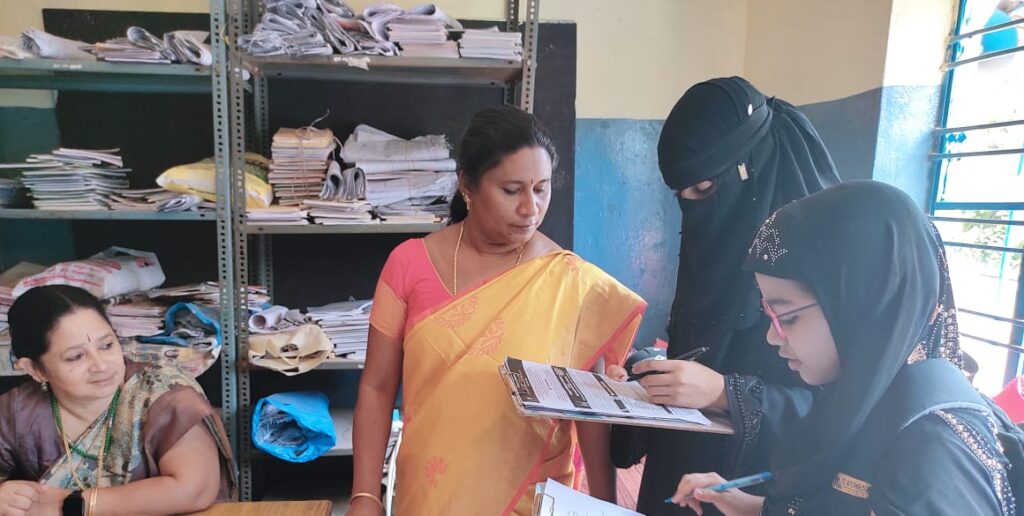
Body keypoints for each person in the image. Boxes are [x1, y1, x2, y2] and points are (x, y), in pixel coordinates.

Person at [348, 106, 646, 516]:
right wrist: (366, 495)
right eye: (512, 190)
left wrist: (606, 505)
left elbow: (591, 409)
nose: (531, 208)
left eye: (541, 189)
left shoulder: (571, 282)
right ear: (468, 187)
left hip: (532, 499)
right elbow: (377, 388)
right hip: (431, 496)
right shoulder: (408, 265)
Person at [671, 181, 1023, 515]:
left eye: (787, 317)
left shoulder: (928, 454)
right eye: (769, 315)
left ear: (863, 304)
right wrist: (746, 505)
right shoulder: (864, 400)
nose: (772, 337)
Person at [606, 76, 840, 515]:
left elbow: (835, 414)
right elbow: (700, 353)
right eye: (682, 196)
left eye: (705, 190)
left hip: (756, 494)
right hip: (681, 479)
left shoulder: (819, 264)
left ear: (751, 167)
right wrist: (649, 378)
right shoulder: (710, 246)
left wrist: (724, 393)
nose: (695, 208)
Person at [0, 285, 236, 516]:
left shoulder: (166, 395)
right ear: (34, 369)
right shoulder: (15, 412)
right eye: (76, 357)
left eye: (107, 345)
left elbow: (193, 489)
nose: (101, 366)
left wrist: (69, 504)